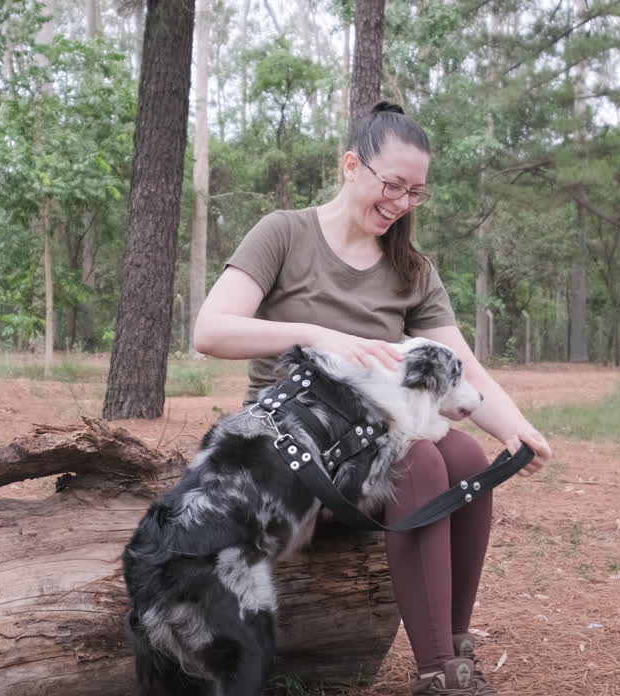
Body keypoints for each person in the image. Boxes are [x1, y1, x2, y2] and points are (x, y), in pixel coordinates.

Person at [192, 101, 553, 696]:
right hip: (290, 442)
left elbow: (464, 369)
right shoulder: (283, 234)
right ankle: (437, 671)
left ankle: (454, 644)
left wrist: (517, 430)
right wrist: (311, 333)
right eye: (392, 185)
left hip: (370, 438)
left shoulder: (410, 268)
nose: (402, 203)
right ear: (351, 166)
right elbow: (210, 331)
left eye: (416, 192)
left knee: (465, 459)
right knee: (422, 459)